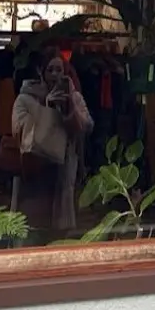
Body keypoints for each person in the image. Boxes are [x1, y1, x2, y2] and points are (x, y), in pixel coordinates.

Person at [11, 48, 92, 239]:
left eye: (59, 70)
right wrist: (47, 109)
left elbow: (87, 125)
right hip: (34, 172)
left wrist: (69, 110)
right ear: (41, 71)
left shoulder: (74, 97)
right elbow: (18, 130)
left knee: (60, 235)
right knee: (32, 232)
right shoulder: (25, 98)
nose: (55, 74)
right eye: (50, 70)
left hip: (62, 171)